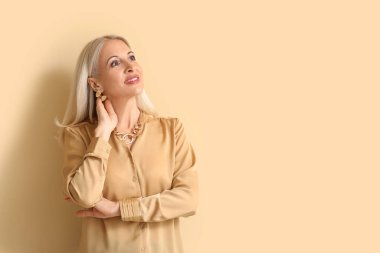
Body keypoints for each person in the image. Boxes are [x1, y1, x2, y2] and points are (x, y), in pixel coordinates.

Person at [55, 34, 199, 253]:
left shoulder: (171, 130)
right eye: (115, 62)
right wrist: (102, 134)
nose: (130, 66)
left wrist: (119, 209)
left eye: (131, 57)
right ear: (95, 83)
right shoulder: (79, 136)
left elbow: (188, 199)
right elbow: (85, 196)